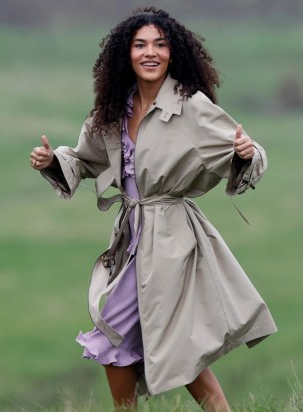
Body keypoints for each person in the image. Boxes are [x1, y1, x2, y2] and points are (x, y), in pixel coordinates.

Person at [29, 8, 277, 411]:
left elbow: (239, 150)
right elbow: (87, 158)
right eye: (140, 45)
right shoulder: (114, 110)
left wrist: (247, 155)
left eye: (160, 45)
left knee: (114, 333)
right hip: (132, 239)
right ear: (125, 54)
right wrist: (52, 161)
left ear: (173, 53)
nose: (150, 53)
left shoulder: (190, 106)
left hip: (171, 239)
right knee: (173, 341)